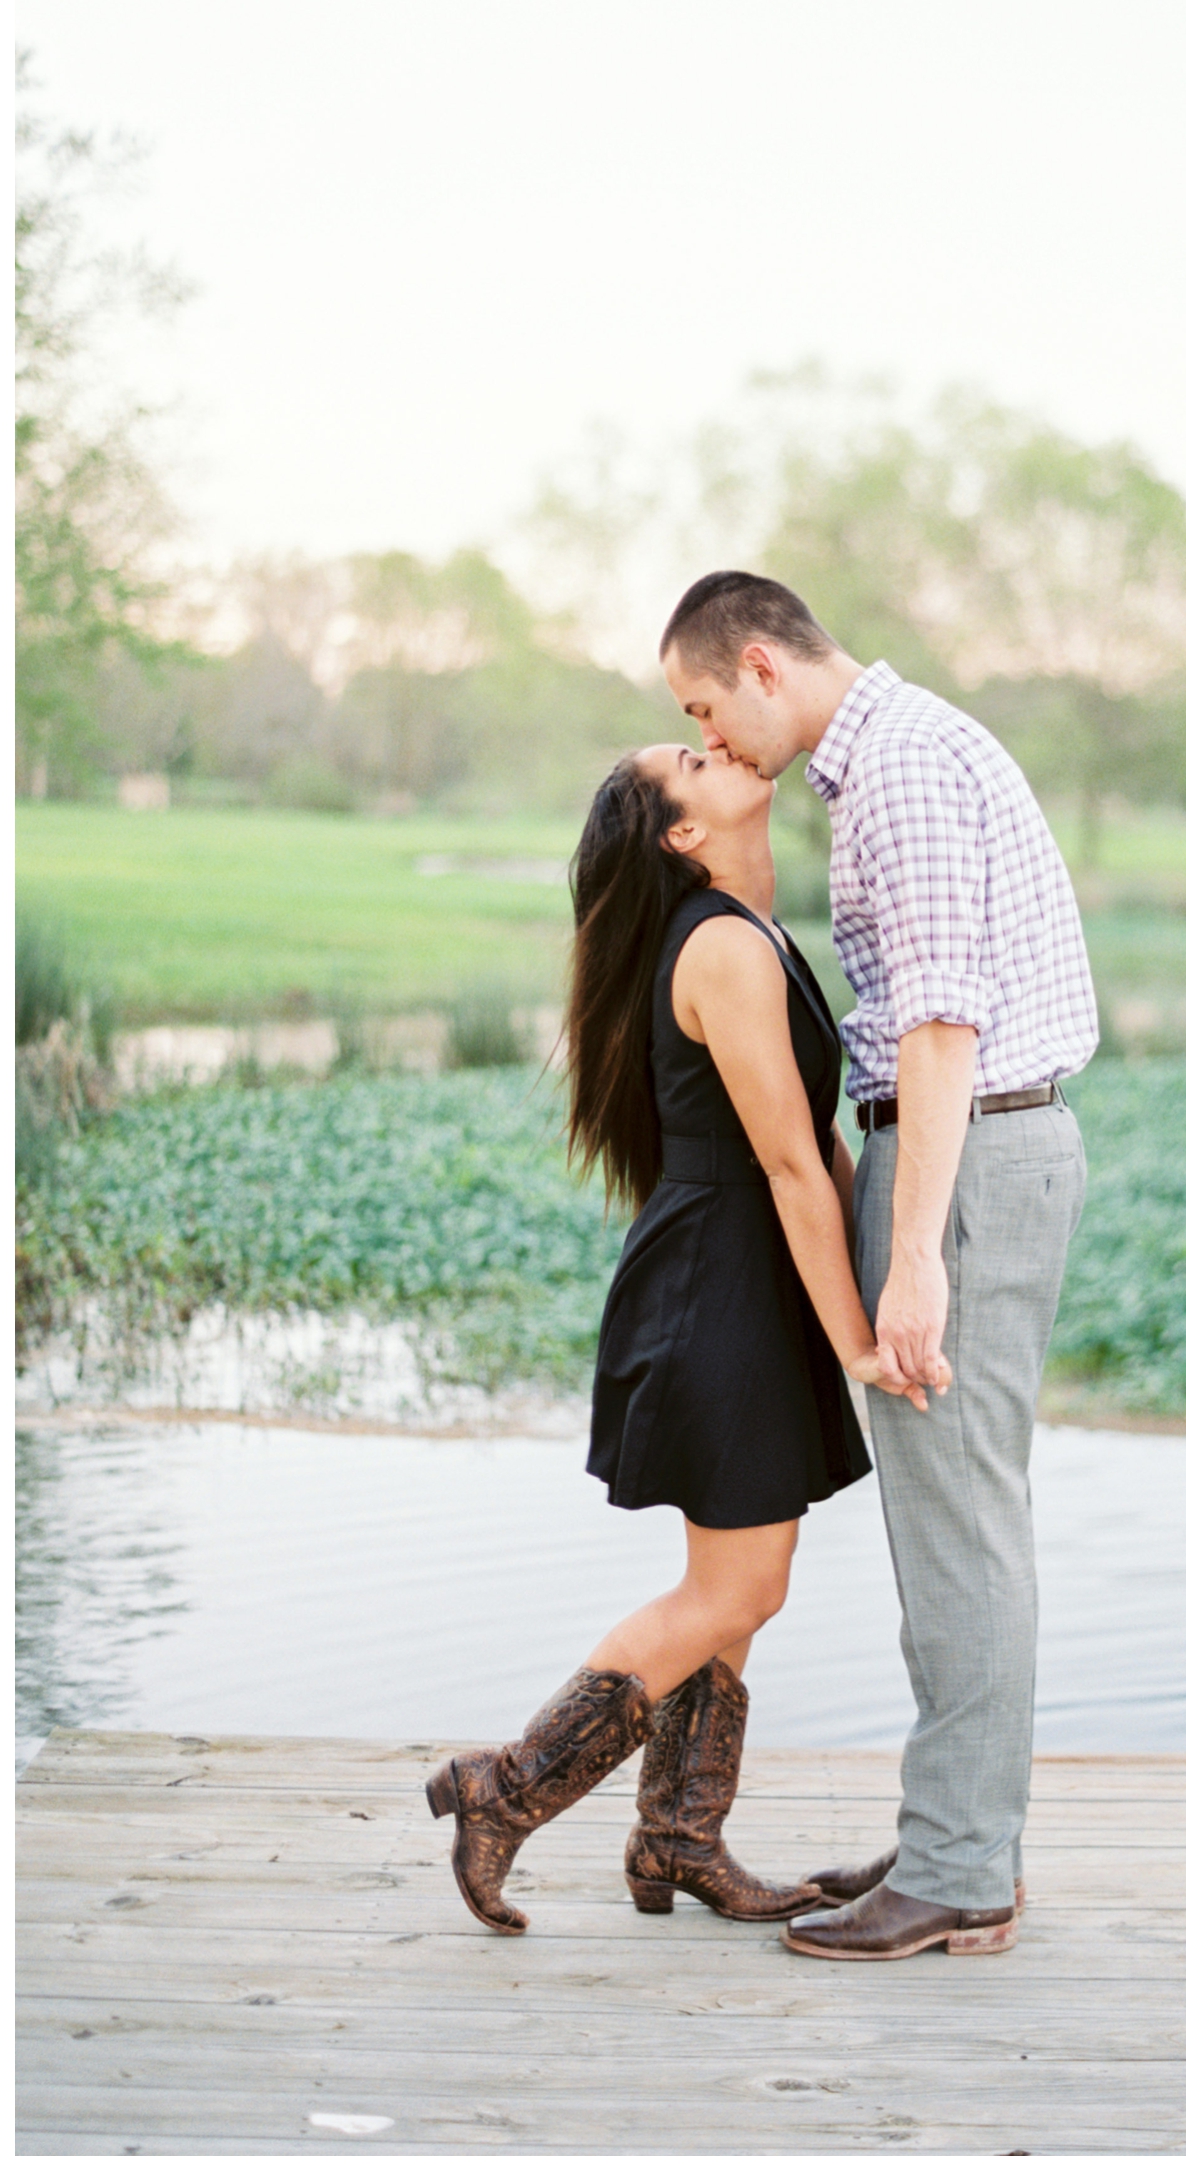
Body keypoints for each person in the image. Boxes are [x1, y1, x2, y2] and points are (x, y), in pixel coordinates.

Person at [426, 741, 940, 1935]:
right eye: (687, 759)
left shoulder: (741, 926)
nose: (713, 746)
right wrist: (860, 1337)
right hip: (720, 1288)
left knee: (739, 1588)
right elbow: (790, 1160)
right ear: (681, 832)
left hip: (742, 1284)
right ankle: (501, 1791)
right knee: (739, 1581)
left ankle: (677, 1837)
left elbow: (810, 1149)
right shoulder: (716, 943)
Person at [661, 571, 1098, 1962]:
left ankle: (960, 1869)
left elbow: (940, 1028)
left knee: (961, 1528)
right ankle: (949, 1837)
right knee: (953, 1521)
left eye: (703, 709)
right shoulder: (902, 751)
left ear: (757, 664)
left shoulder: (898, 774)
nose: (714, 741)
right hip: (972, 1162)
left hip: (961, 1169)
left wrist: (912, 1256)